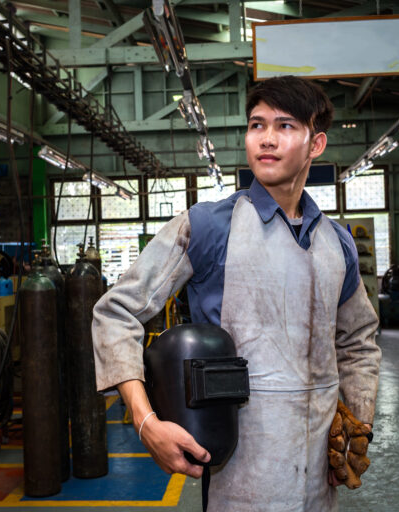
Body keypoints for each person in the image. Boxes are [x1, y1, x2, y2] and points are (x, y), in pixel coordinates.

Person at [92, 75, 381, 511]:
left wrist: (358, 424)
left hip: (319, 484)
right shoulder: (209, 227)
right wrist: (145, 420)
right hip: (240, 482)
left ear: (316, 144)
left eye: (285, 126)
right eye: (256, 125)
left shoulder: (337, 243)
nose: (266, 139)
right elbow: (116, 312)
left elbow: (358, 340)